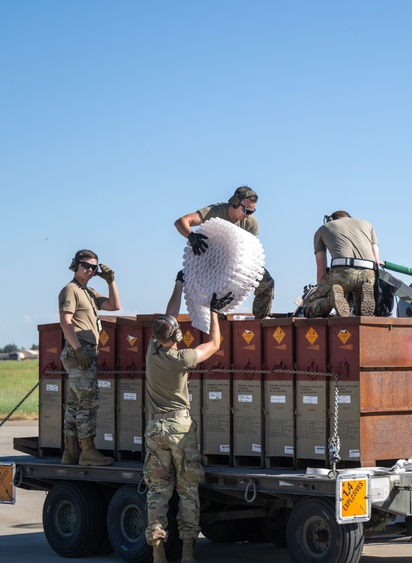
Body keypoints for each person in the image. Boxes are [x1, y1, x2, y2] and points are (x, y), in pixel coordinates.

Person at [144, 287, 232, 563]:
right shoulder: (182, 359)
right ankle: (188, 553)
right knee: (188, 490)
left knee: (158, 492)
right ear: (177, 336)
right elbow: (215, 344)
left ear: (156, 336)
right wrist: (214, 313)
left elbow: (167, 316)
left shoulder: (151, 351)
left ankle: (158, 551)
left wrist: (177, 286)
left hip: (155, 430)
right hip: (180, 429)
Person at [57, 249, 120, 466]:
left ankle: (71, 451)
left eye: (94, 267)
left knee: (76, 403)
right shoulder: (70, 290)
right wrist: (77, 349)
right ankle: (88, 452)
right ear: (75, 265)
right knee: (88, 402)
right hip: (80, 350)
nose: (90, 270)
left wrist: (111, 281)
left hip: (86, 350)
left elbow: (115, 306)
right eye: (86, 265)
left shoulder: (89, 292)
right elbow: (65, 321)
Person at [174, 185, 274, 318]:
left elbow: (251, 250)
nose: (248, 215)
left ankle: (261, 320)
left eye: (252, 211)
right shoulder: (215, 212)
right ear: (234, 202)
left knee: (267, 283)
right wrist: (191, 236)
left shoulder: (250, 223)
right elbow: (181, 222)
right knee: (203, 288)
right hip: (209, 262)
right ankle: (217, 325)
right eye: (246, 210)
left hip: (235, 263)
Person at [303, 210, 380, 317]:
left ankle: (330, 301)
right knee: (358, 309)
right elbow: (377, 260)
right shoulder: (367, 225)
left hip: (343, 273)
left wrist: (321, 294)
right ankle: (360, 304)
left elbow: (321, 272)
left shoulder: (322, 229)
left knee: (307, 306)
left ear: (330, 220)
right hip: (369, 274)